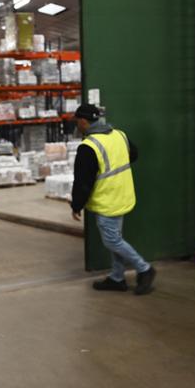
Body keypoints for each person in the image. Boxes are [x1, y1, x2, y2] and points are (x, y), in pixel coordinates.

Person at [70, 103, 156, 295]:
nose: (77, 126)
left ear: (83, 122)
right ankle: (117, 278)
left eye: (77, 122)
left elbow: (83, 182)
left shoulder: (89, 147)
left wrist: (76, 205)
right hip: (123, 195)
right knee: (115, 238)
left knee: (112, 241)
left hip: (108, 200)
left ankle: (144, 269)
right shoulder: (119, 134)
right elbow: (133, 154)